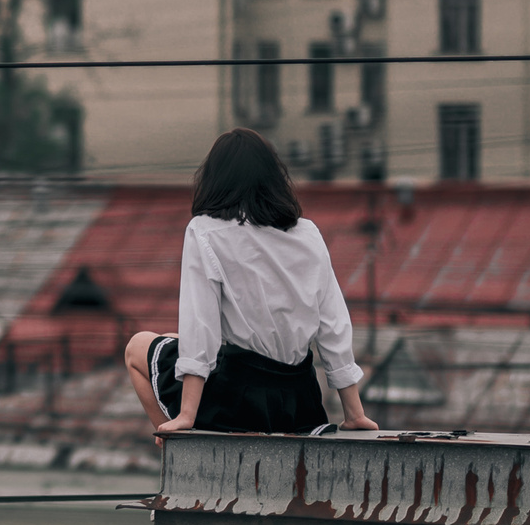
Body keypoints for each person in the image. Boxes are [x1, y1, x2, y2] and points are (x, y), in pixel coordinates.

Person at [122, 127, 377, 440]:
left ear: (215, 179)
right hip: (300, 403)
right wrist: (355, 414)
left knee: (137, 347)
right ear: (274, 178)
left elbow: (200, 325)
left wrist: (187, 415)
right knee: (173, 338)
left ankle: (173, 440)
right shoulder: (307, 233)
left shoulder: (205, 230)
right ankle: (181, 432)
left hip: (234, 400)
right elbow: (332, 325)